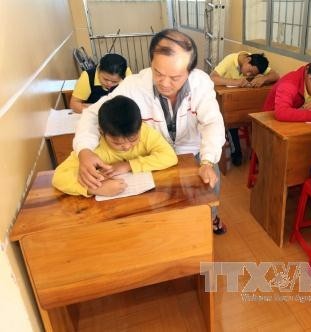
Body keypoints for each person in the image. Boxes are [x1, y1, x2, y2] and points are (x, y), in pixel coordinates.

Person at [73, 29, 227, 234]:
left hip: (194, 152)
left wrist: (207, 160)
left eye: (175, 77)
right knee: (162, 202)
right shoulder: (134, 85)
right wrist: (85, 151)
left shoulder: (202, 84)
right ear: (151, 63)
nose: (164, 83)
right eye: (158, 73)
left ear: (190, 71)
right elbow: (93, 113)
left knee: (208, 190)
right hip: (156, 155)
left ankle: (212, 218)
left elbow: (212, 123)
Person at [53, 95, 178, 196]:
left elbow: (169, 156)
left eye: (133, 139)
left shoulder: (145, 132)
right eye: (117, 143)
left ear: (141, 125)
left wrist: (129, 165)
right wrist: (95, 189)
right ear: (102, 132)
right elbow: (59, 177)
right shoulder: (94, 149)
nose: (127, 146)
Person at [210, 52, 280, 166]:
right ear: (248, 60)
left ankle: (256, 152)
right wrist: (234, 82)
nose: (248, 75)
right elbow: (212, 77)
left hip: (244, 104)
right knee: (231, 122)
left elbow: (275, 75)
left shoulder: (257, 63)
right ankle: (236, 152)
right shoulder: (229, 60)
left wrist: (264, 79)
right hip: (228, 103)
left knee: (257, 120)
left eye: (252, 74)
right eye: (249, 71)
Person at [263, 56, 311, 123]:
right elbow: (281, 113)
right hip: (270, 125)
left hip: (295, 122)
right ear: (310, 77)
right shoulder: (289, 84)